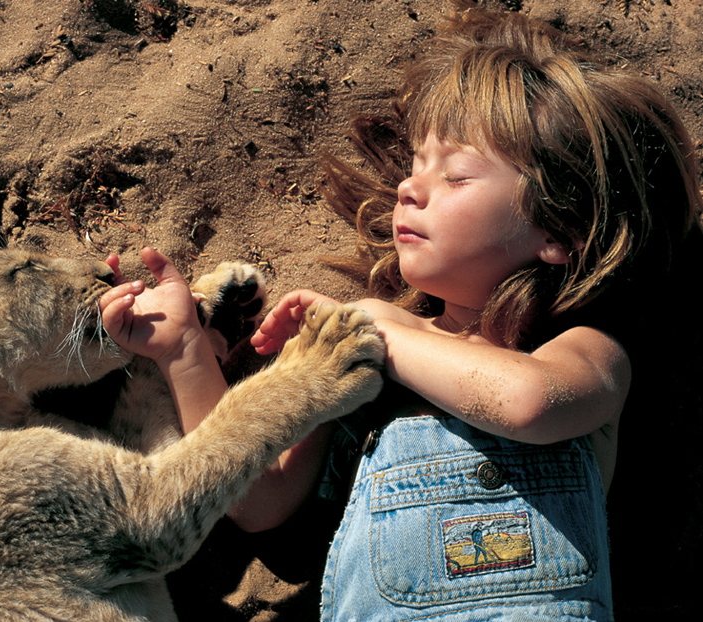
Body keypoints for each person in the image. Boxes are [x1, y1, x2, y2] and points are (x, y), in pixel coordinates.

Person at [100, 3, 702, 620]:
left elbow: (530, 402)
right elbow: (259, 499)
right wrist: (185, 353)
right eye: (416, 166)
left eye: (458, 176)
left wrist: (376, 330)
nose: (411, 189)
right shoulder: (363, 345)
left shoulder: (585, 350)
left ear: (557, 227)